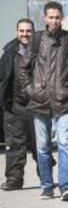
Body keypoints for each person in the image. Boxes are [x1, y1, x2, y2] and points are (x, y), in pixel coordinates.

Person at [17, 1, 68, 200]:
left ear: (62, 17)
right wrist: (32, 90)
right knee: (43, 146)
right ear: (45, 18)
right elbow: (22, 68)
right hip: (39, 102)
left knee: (65, 144)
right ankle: (47, 186)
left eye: (57, 17)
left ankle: (65, 186)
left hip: (63, 101)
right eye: (51, 17)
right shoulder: (36, 39)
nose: (54, 20)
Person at [0, 19, 38, 190]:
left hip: (37, 105)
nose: (25, 34)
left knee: (40, 145)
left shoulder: (42, 51)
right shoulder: (8, 53)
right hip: (14, 105)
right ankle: (14, 179)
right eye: (22, 31)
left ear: (33, 32)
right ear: (17, 32)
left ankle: (46, 180)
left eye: (28, 31)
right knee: (14, 144)